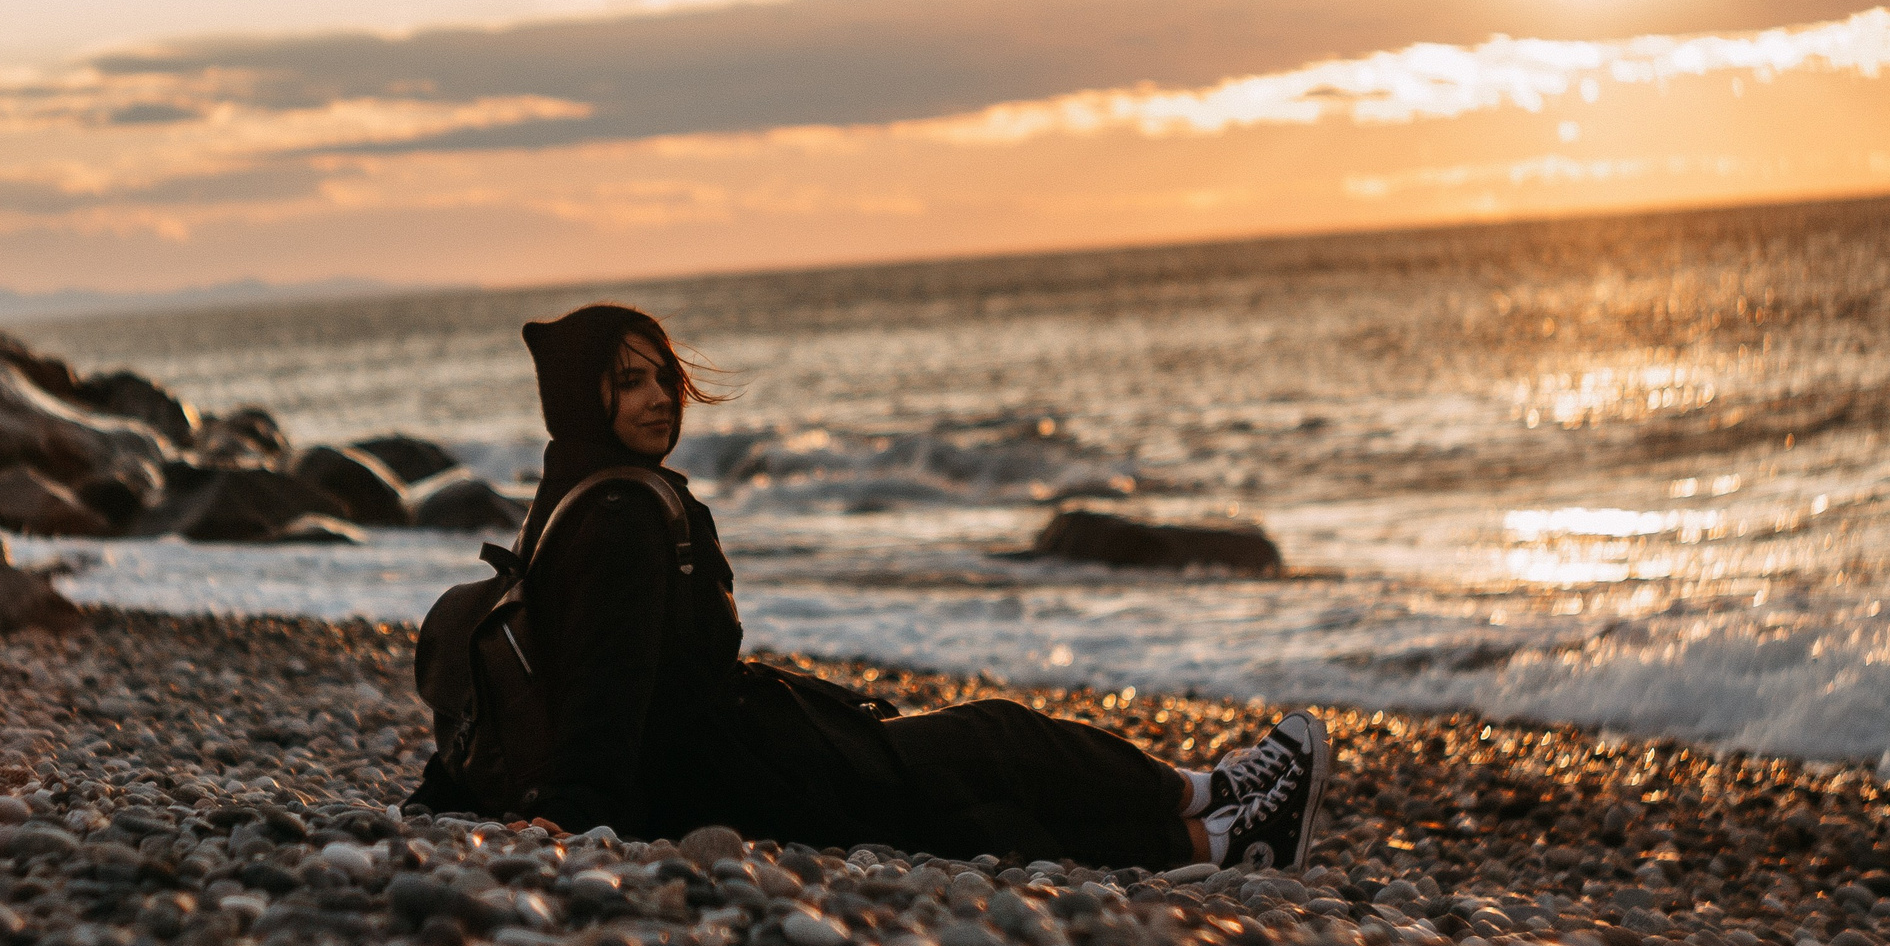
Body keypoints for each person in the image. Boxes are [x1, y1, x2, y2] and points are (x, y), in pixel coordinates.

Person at [408, 302, 1329, 872]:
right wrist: (575, 819)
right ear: (583, 399)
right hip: (748, 773)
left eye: (664, 376)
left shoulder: (568, 491)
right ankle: (1206, 799)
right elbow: (608, 686)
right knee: (993, 741)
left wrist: (459, 802)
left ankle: (1214, 831)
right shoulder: (620, 516)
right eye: (629, 381)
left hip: (726, 772)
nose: (660, 397)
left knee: (972, 801)